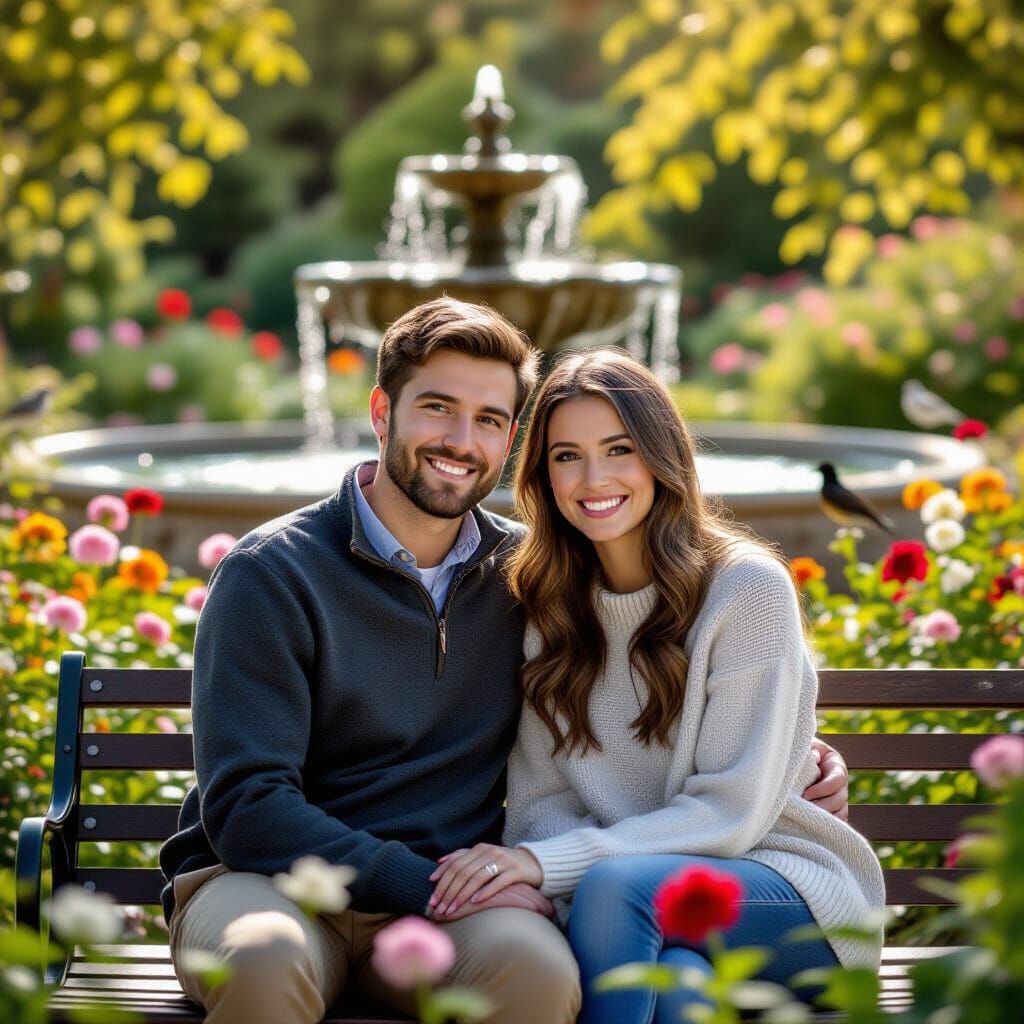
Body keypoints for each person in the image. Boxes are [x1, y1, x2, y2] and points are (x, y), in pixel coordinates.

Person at [159, 299, 851, 1024]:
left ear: (511, 439)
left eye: (489, 419)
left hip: (455, 904)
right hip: (275, 884)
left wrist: (794, 756)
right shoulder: (273, 573)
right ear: (381, 411)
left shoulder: (527, 576)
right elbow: (248, 807)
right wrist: (421, 881)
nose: (461, 440)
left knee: (539, 974)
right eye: (437, 407)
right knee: (264, 960)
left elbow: (658, 676)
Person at [426, 349, 885, 1024]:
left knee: (619, 890)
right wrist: (554, 855)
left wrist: (546, 864)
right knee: (675, 989)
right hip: (645, 912)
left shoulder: (745, 588)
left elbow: (729, 813)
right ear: (542, 475)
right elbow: (539, 803)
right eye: (566, 456)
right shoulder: (548, 606)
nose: (594, 478)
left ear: (661, 457)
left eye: (620, 449)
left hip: (791, 897)